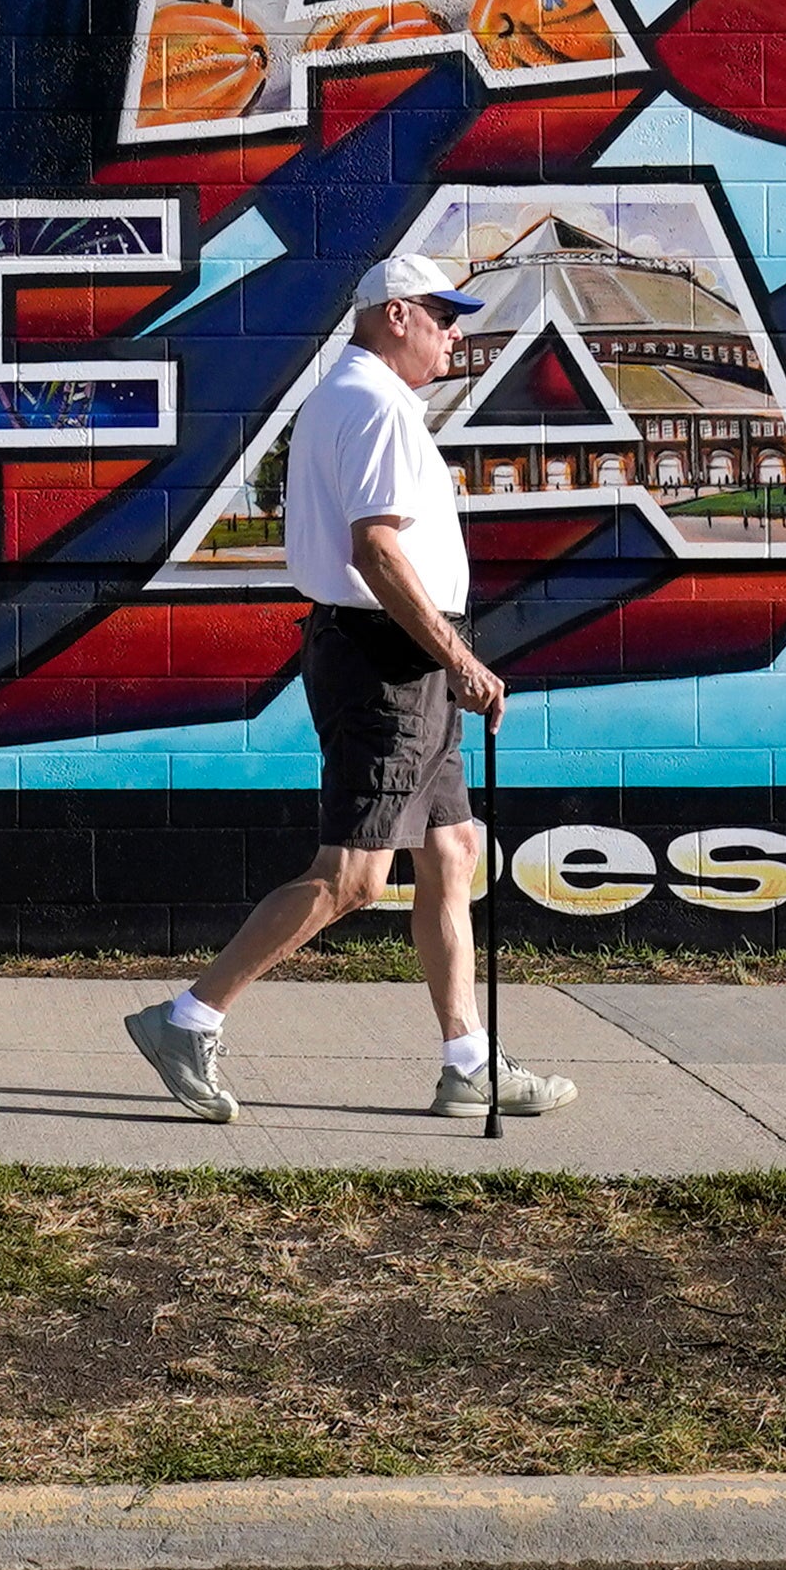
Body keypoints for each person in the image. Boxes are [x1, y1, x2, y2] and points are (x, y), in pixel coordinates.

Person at [129, 253, 571, 1124]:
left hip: (397, 656)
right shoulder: (371, 406)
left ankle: (468, 1063)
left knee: (451, 853)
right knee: (354, 876)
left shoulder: (360, 399)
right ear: (394, 314)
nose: (456, 332)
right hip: (388, 661)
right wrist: (457, 656)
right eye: (443, 315)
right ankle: (189, 1018)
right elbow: (376, 550)